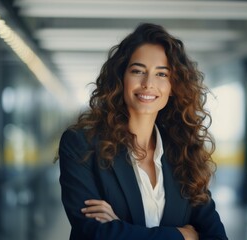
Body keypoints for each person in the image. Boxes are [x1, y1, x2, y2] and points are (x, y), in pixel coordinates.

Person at [58, 23, 228, 240]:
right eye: (138, 71)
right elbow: (96, 234)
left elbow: (216, 236)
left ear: (173, 85)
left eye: (162, 74)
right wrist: (183, 236)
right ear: (121, 78)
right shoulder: (81, 144)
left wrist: (121, 228)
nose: (149, 83)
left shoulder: (183, 151)